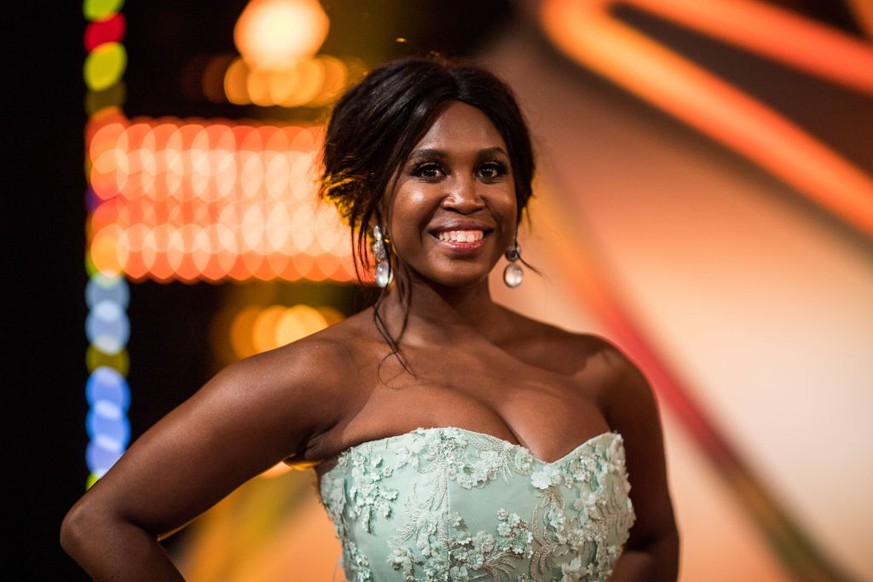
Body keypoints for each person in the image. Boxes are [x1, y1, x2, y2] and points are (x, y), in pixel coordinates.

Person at [61, 55, 679, 581]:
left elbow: (652, 543)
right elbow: (100, 523)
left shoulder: (601, 372)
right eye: (428, 170)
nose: (466, 196)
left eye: (491, 170)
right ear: (372, 200)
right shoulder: (323, 374)